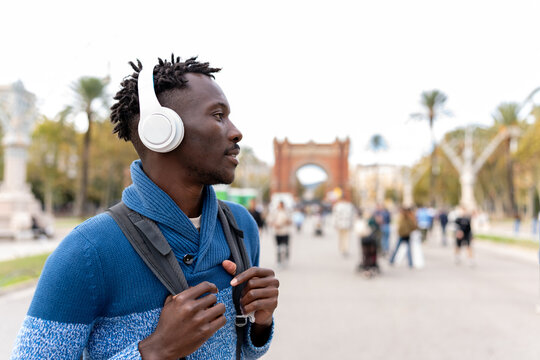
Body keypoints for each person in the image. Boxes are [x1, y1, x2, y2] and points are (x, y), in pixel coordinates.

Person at [11, 55, 278, 359]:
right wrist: (155, 350)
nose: (235, 131)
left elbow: (242, 352)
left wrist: (260, 323)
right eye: (218, 115)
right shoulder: (86, 252)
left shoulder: (240, 227)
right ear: (162, 130)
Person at [268, 201, 292, 267]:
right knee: (278, 248)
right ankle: (278, 261)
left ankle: (286, 259)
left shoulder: (286, 213)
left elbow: (290, 222)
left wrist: (286, 222)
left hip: (285, 232)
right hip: (277, 232)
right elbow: (270, 221)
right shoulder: (275, 213)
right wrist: (274, 225)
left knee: (285, 247)